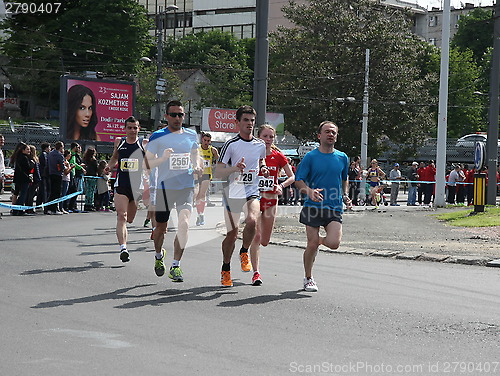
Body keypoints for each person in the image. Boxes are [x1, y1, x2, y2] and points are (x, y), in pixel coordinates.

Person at [145, 100, 201, 282]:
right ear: (167, 116)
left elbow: (196, 155)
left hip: (186, 187)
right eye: (174, 115)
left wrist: (198, 166)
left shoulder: (192, 135)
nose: (178, 118)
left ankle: (176, 265)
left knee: (184, 224)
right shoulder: (157, 136)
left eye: (181, 115)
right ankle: (158, 255)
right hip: (164, 188)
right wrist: (162, 158)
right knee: (161, 229)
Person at [215, 105, 268, 287]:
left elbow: (261, 160)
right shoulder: (231, 144)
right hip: (233, 192)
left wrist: (263, 168)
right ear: (237, 122)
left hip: (252, 191)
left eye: (252, 121)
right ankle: (226, 269)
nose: (250, 124)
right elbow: (218, 172)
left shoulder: (260, 145)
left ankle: (244, 251)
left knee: (252, 221)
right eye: (246, 120)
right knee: (232, 234)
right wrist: (235, 168)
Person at [295, 121, 350, 292]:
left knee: (334, 243)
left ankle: (317, 240)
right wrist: (309, 191)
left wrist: (345, 194)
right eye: (327, 132)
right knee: (311, 245)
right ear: (319, 136)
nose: (330, 134)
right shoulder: (311, 157)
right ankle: (308, 278)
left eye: (333, 132)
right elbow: (298, 180)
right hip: (313, 205)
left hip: (334, 207)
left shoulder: (342, 157)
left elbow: (344, 178)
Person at [249, 124, 294, 286]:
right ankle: (256, 272)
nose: (267, 140)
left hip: (271, 200)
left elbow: (292, 176)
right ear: (258, 137)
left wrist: (281, 186)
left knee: (265, 240)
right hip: (254, 199)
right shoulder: (252, 155)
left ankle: (250, 248)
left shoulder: (278, 156)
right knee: (257, 235)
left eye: (270, 137)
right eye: (264, 136)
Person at [106, 116, 148, 263]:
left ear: (138, 129)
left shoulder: (144, 143)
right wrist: (109, 167)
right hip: (121, 184)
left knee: (130, 219)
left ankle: (124, 244)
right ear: (125, 129)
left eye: (135, 128)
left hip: (136, 187)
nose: (132, 130)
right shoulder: (119, 142)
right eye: (129, 127)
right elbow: (114, 158)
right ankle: (123, 248)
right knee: (121, 216)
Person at [194, 131, 219, 226]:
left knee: (202, 194)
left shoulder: (213, 150)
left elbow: (219, 160)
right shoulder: (197, 148)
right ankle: (199, 214)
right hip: (197, 174)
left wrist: (217, 169)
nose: (206, 142)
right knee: (197, 195)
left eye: (208, 141)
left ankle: (202, 214)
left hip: (206, 174)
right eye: (205, 140)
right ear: (202, 140)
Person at [12, 142, 33, 216]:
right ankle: (17, 210)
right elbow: (28, 168)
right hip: (24, 179)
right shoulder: (24, 158)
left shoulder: (19, 157)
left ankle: (18, 210)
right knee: (23, 195)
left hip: (19, 179)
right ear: (23, 150)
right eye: (27, 149)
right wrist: (32, 163)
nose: (29, 151)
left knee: (20, 194)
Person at [47, 141, 65, 215]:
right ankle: (54, 209)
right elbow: (62, 166)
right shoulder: (59, 155)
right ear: (60, 147)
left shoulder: (50, 154)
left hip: (51, 173)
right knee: (57, 192)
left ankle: (49, 208)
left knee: (51, 192)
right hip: (57, 174)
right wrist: (64, 167)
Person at [67, 143, 86, 213]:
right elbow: (73, 163)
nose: (79, 149)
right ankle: (69, 206)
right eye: (78, 147)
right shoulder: (71, 154)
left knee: (73, 191)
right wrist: (81, 168)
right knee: (73, 190)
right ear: (74, 147)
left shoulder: (74, 154)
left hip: (73, 174)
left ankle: (72, 206)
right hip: (70, 173)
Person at [25, 145, 41, 215]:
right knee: (30, 195)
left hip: (34, 179)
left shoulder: (33, 159)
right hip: (34, 179)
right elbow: (35, 171)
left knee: (30, 194)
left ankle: (29, 208)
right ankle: (29, 209)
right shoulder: (32, 160)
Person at [82, 146, 98, 211]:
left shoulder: (85, 159)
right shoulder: (94, 160)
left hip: (87, 176)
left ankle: (86, 204)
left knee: (87, 190)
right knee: (91, 191)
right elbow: (96, 168)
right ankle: (90, 204)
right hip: (93, 176)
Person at [37, 142, 51, 214]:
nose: (50, 149)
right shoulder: (45, 155)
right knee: (45, 192)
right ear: (46, 148)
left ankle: (38, 205)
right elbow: (46, 165)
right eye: (49, 147)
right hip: (44, 175)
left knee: (41, 191)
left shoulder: (42, 154)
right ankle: (46, 207)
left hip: (43, 175)